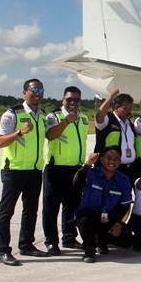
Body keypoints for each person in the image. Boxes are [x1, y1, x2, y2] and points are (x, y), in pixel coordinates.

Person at [0, 79, 49, 265]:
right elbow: (0, 141)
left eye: (40, 89)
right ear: (24, 92)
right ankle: (3, 251)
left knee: (31, 210)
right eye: (34, 89)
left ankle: (26, 245)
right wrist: (20, 132)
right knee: (6, 211)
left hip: (34, 170)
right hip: (14, 169)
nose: (38, 93)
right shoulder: (12, 114)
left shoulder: (42, 114)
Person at [42, 86, 88, 256]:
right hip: (56, 168)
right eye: (69, 99)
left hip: (75, 168)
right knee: (51, 208)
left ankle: (69, 237)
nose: (73, 103)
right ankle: (51, 242)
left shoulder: (83, 118)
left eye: (76, 100)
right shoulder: (53, 116)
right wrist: (67, 121)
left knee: (72, 206)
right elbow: (50, 135)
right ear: (63, 100)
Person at [73, 147, 133, 263]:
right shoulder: (91, 173)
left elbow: (125, 205)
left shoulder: (123, 180)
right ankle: (89, 250)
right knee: (85, 221)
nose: (112, 162)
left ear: (120, 162)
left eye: (116, 159)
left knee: (127, 241)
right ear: (101, 160)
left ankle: (102, 241)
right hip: (88, 215)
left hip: (108, 216)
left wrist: (119, 223)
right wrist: (87, 164)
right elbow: (76, 183)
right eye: (108, 158)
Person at [94, 89, 136, 179]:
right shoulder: (108, 120)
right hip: (109, 169)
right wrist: (109, 98)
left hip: (128, 169)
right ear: (116, 108)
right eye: (125, 108)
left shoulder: (129, 124)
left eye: (130, 108)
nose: (128, 111)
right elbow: (99, 116)